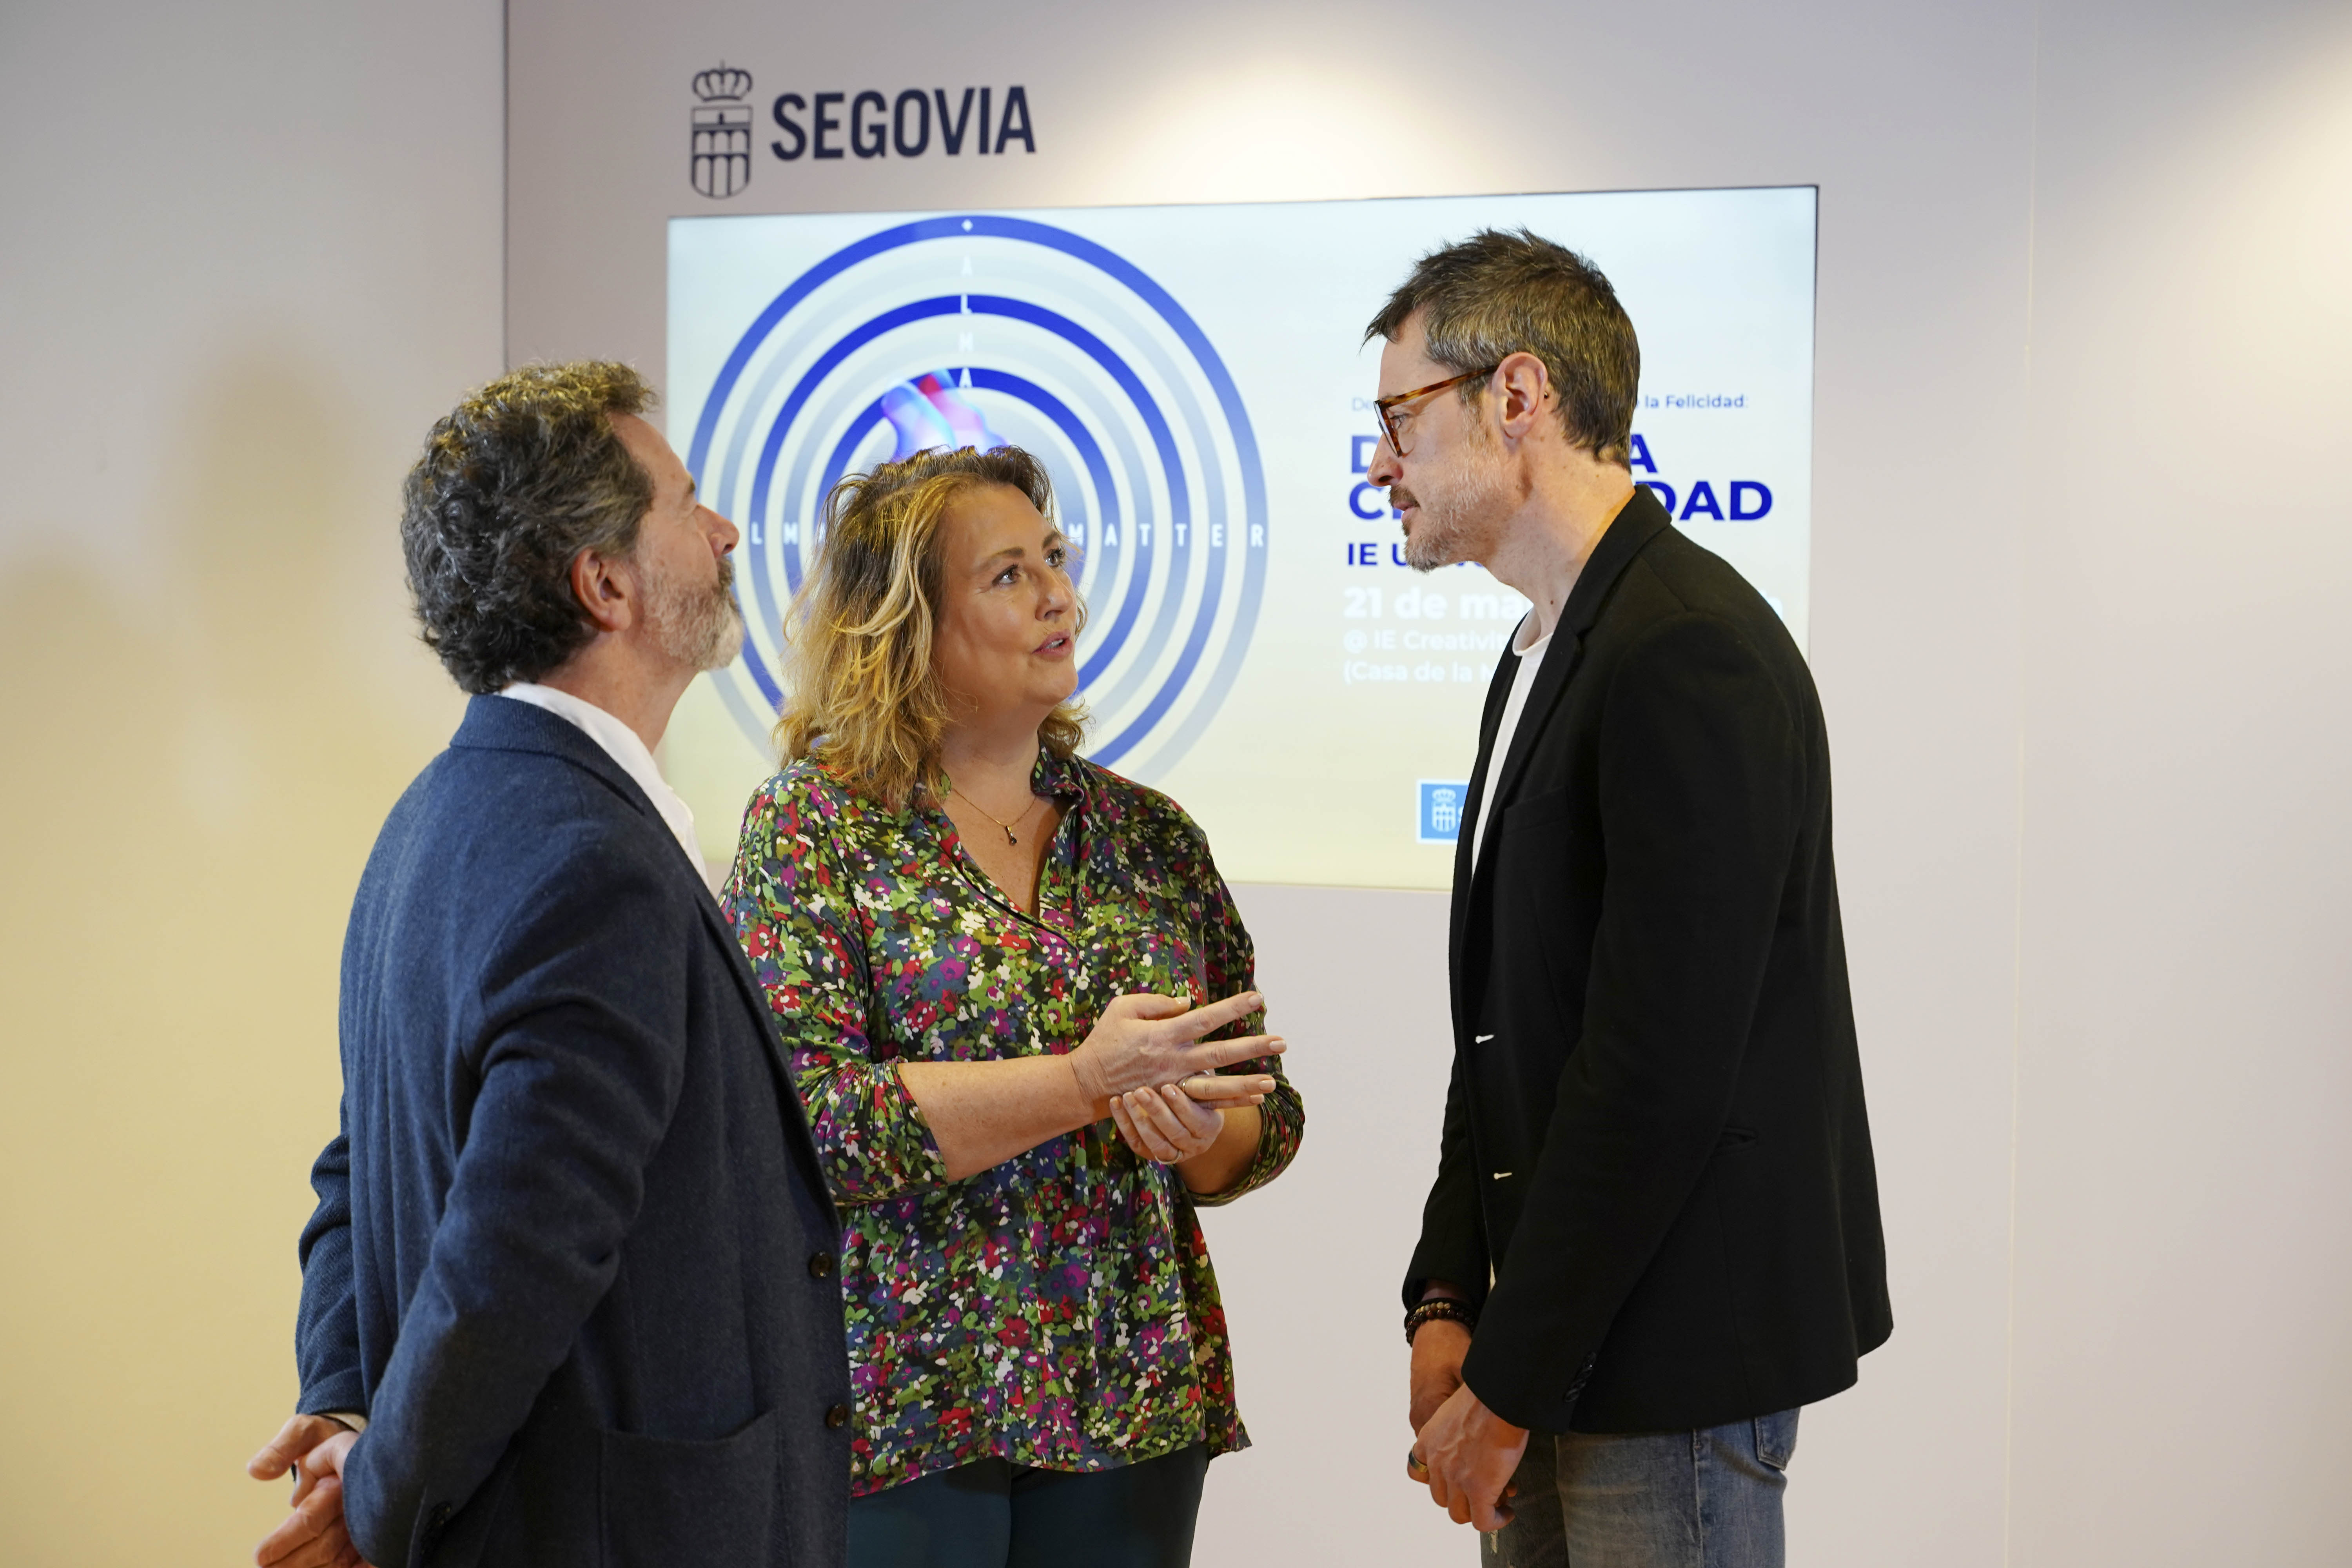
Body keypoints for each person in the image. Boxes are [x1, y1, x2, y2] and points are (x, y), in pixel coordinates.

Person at [243, 362, 851, 1568]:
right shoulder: (596, 862)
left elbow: (356, 1169)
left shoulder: (426, 818)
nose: (725, 531)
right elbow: (516, 1254)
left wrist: (349, 1406)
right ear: (605, 583)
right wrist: (381, 1496)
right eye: (686, 504)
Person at [1367, 232, 1891, 1568]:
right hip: (1551, 1344)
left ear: (1516, 395)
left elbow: (1660, 1072)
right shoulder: (1541, 649)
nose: (1380, 464)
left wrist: (1509, 1381)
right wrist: (1447, 1294)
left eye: (1400, 417)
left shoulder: (1687, 648)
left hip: (1664, 1363)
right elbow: (1504, 1027)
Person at [719, 444, 1304, 1568]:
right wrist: (1086, 1084)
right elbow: (812, 1126)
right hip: (900, 1407)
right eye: (1008, 575)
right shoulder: (811, 828)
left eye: (1056, 560)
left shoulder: (1150, 837)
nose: (1058, 597)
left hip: (1132, 1399)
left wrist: (1198, 1131)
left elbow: (1264, 1119)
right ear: (908, 629)